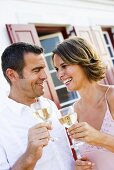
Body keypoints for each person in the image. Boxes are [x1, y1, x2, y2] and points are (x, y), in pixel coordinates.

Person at [0, 42, 75, 170]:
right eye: (36, 70)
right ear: (12, 75)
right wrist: (30, 156)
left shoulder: (50, 106)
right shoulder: (3, 122)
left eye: (43, 69)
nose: (44, 76)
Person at [52, 36, 114, 170]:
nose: (59, 75)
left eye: (64, 66)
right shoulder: (73, 112)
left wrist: (99, 138)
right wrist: (81, 166)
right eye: (57, 69)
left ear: (83, 61)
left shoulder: (112, 97)